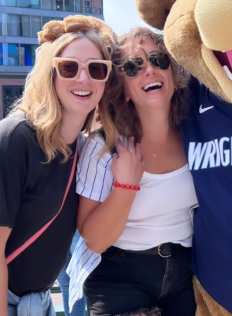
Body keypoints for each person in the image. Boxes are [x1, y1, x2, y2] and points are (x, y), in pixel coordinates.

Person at [68, 27, 197, 316]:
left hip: (185, 275)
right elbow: (95, 240)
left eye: (158, 60)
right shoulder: (104, 146)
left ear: (174, 75)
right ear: (122, 89)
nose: (149, 70)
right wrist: (126, 186)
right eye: (132, 67)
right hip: (119, 278)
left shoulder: (196, 134)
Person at [0, 15, 116, 316]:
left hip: (37, 303)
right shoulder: (16, 138)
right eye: (68, 67)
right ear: (49, 74)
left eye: (96, 69)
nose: (83, 78)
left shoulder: (83, 147)